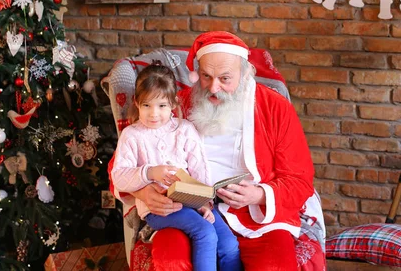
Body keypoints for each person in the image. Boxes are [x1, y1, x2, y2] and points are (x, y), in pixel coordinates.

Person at [110, 31, 321, 270]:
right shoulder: (173, 106)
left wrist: (259, 195)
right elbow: (118, 169)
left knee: (275, 266)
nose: (213, 87)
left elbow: (300, 179)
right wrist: (144, 193)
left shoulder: (275, 108)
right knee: (171, 260)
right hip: (187, 210)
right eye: (206, 76)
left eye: (225, 79)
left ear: (244, 73)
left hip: (257, 217)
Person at [110, 64, 243, 271]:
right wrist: (149, 172)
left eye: (162, 105)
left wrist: (205, 203)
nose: (154, 114)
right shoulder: (131, 135)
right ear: (136, 103)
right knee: (205, 233)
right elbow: (118, 176)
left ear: (173, 103)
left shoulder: (185, 130)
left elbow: (200, 170)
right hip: (160, 208)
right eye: (147, 105)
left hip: (191, 200)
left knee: (229, 245)